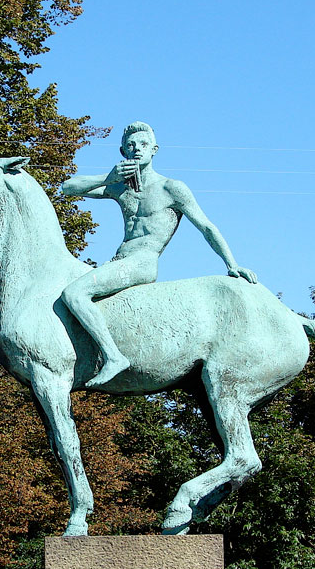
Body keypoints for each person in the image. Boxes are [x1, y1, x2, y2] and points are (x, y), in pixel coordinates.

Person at [61, 121, 257, 387]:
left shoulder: (171, 188)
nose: (136, 149)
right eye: (130, 146)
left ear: (154, 150)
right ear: (122, 152)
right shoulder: (119, 188)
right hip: (118, 260)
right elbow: (68, 188)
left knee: (74, 293)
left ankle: (114, 357)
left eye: (143, 144)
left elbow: (206, 227)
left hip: (142, 260)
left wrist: (232, 264)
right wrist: (108, 178)